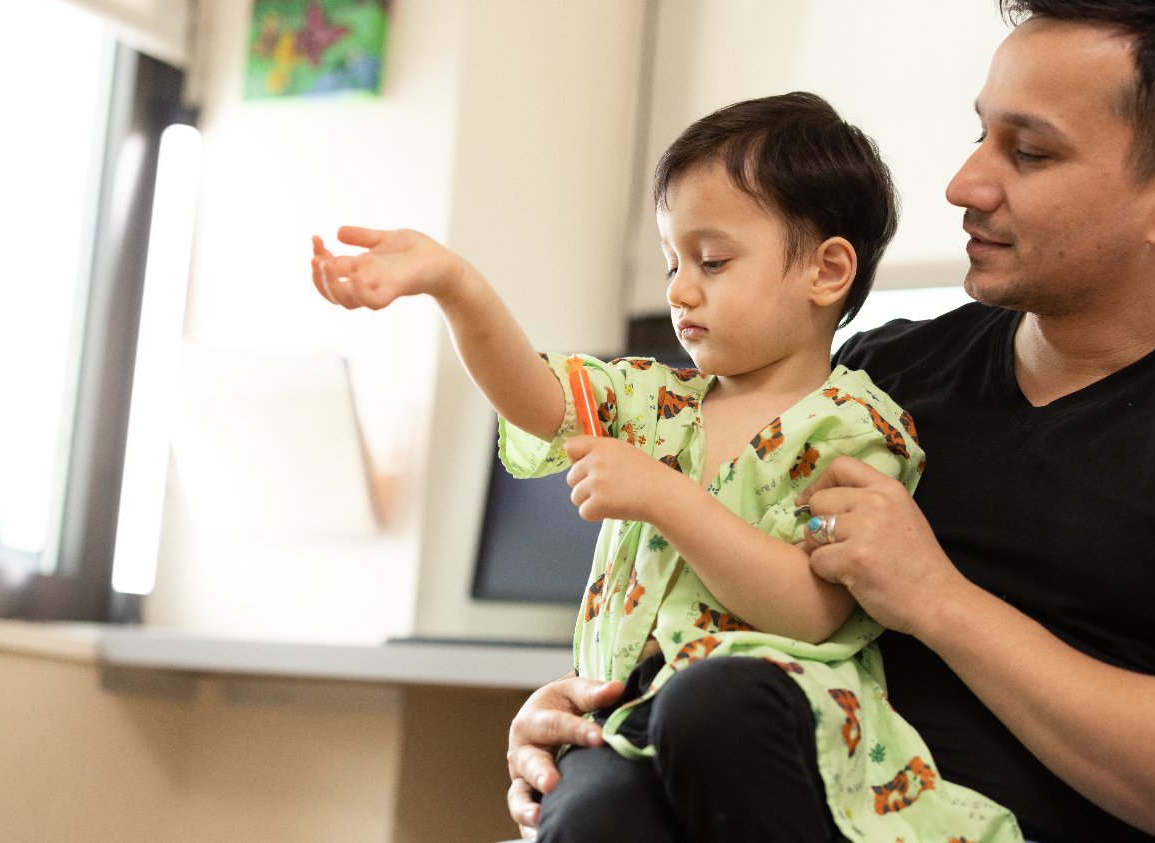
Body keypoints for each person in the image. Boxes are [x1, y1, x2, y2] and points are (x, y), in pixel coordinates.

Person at [506, 2, 1155, 842]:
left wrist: (935, 597)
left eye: (1030, 151)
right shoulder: (872, 379)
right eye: (980, 134)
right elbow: (714, 596)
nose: (964, 184)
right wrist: (594, 708)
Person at [314, 93, 1020, 840]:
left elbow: (812, 610)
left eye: (712, 261)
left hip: (773, 717)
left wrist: (666, 497)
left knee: (710, 707)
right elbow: (538, 398)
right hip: (630, 714)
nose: (680, 289)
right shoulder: (660, 401)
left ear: (827, 270)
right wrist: (456, 287)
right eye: (672, 262)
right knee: (584, 815)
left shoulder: (856, 428)